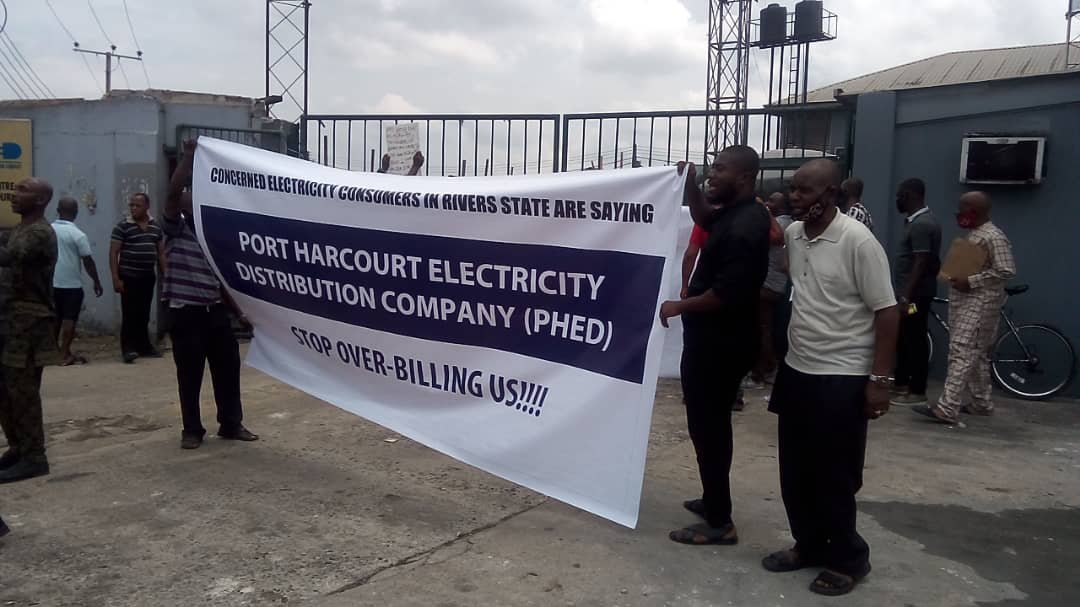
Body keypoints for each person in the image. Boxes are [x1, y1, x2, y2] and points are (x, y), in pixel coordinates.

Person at [762, 159, 898, 596]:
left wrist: (879, 380)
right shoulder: (796, 236)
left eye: (804, 191)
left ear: (831, 194)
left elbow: (887, 311)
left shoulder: (858, 241)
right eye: (793, 189)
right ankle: (808, 544)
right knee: (795, 469)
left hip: (843, 374)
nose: (794, 197)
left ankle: (847, 558)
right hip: (799, 368)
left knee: (834, 473)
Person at [658, 146, 771, 546]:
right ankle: (712, 500)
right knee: (705, 425)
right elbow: (704, 217)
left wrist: (678, 305)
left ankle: (720, 521)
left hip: (723, 345)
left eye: (720, 169)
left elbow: (725, 295)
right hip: (712, 341)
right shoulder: (734, 213)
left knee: (710, 428)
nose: (713, 174)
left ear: (744, 177)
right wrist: (690, 184)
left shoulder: (747, 226)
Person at [164, 140, 258, 450]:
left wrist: (240, 313)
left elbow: (220, 282)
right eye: (190, 197)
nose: (191, 199)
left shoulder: (213, 237)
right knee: (189, 375)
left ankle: (231, 423)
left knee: (228, 370)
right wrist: (188, 158)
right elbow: (172, 195)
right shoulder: (176, 229)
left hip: (215, 313)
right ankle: (192, 429)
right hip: (186, 313)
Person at [914, 191, 1015, 424]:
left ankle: (947, 408)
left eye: (961, 208)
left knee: (961, 352)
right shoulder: (976, 234)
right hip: (968, 303)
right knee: (976, 356)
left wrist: (972, 281)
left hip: (980, 304)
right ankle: (981, 403)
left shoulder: (993, 236)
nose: (957, 213)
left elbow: (1006, 270)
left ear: (973, 211)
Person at [0, 177, 60, 484]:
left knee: (22, 392)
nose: (15, 193)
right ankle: (18, 448)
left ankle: (35, 457)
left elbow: (9, 256)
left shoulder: (39, 233)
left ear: (40, 200)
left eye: (23, 190)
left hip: (28, 324)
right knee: (5, 391)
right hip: (9, 321)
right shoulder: (19, 229)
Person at [891, 179, 942, 407]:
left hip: (915, 296)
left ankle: (916, 390)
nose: (897, 199)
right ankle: (901, 384)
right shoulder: (917, 221)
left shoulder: (922, 224)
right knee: (904, 337)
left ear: (910, 195)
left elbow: (921, 262)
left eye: (900, 195)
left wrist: (905, 296)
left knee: (914, 339)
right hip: (911, 293)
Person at [110, 193, 165, 363]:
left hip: (147, 277)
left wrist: (166, 275)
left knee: (144, 313)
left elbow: (161, 253)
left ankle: (144, 346)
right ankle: (128, 349)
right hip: (128, 276)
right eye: (131, 205)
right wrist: (116, 278)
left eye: (137, 205)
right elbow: (113, 253)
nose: (133, 208)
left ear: (147, 207)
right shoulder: (123, 226)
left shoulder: (155, 227)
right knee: (129, 314)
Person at [52, 197, 104, 366]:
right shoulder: (78, 235)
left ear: (58, 211)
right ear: (76, 213)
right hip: (71, 285)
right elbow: (88, 261)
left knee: (54, 318)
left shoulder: (48, 230)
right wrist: (96, 281)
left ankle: (52, 352)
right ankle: (64, 354)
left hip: (50, 283)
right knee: (69, 319)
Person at [750, 193, 794, 386]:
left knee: (761, 328)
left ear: (782, 206)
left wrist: (762, 209)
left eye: (772, 201)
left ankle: (765, 369)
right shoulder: (790, 224)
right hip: (777, 284)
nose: (768, 203)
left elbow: (771, 238)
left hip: (768, 284)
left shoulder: (780, 224)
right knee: (766, 326)